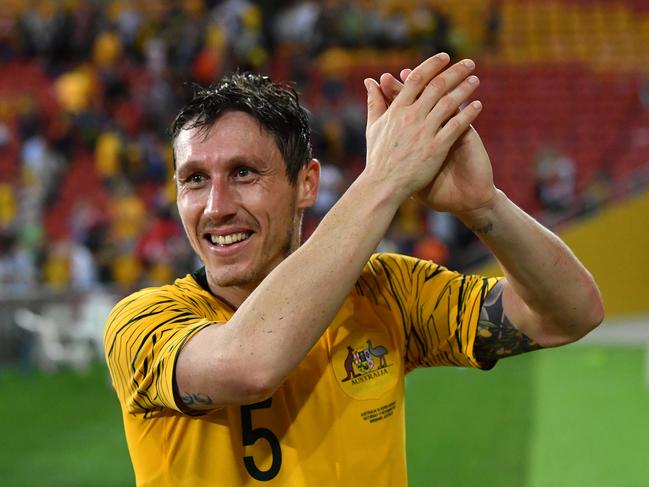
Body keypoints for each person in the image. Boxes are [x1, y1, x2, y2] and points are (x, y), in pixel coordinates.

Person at [104, 53, 604, 486]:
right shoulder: (142, 325)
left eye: (243, 173)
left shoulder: (387, 293)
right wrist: (384, 179)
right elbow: (251, 365)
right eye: (194, 179)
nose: (216, 206)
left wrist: (482, 206)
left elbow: (571, 312)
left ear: (307, 183)